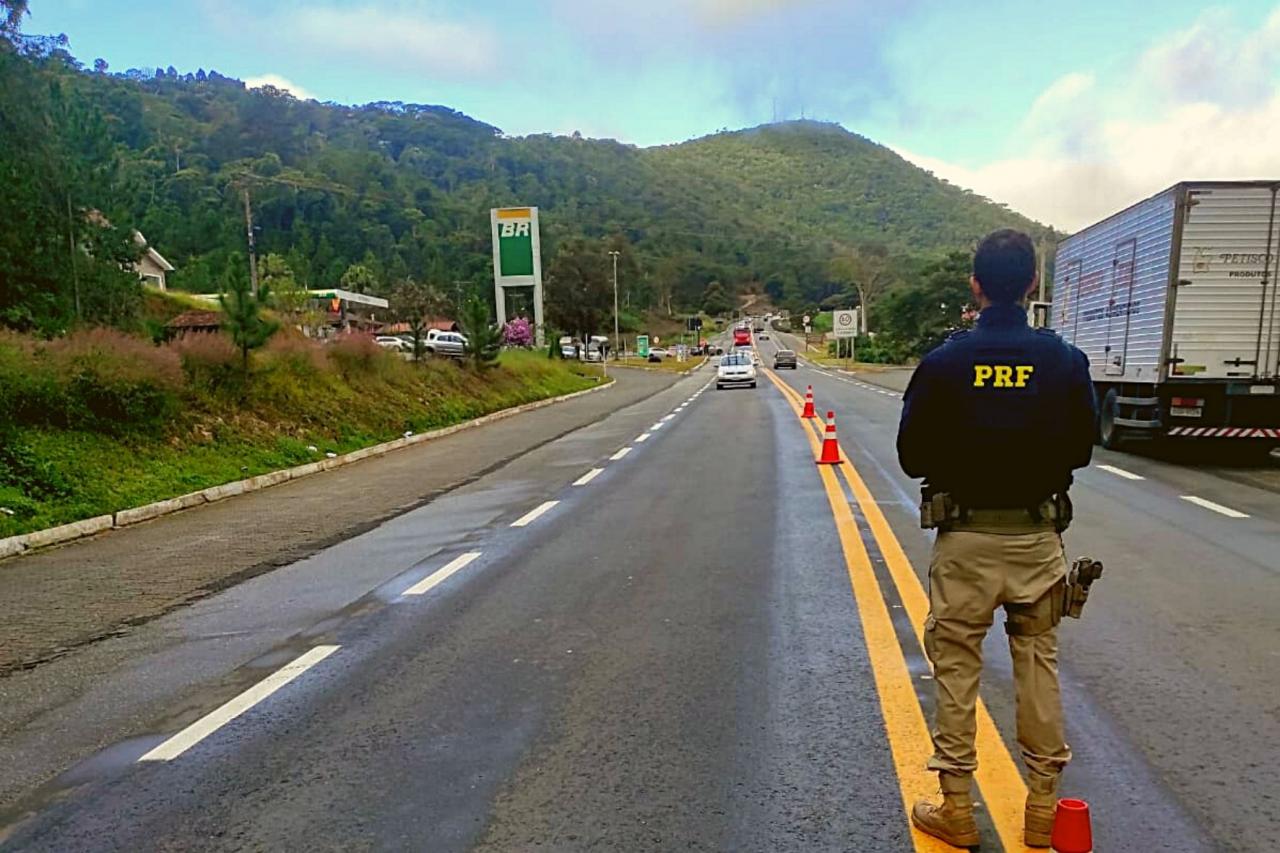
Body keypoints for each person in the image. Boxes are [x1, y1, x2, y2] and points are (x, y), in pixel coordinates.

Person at [896, 229, 1097, 848]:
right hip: (1037, 540)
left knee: (956, 666)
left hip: (965, 543)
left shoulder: (946, 362)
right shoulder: (1064, 361)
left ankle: (956, 807)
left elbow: (910, 457)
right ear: (1034, 283)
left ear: (975, 284)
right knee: (1038, 663)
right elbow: (1083, 449)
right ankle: (1042, 811)